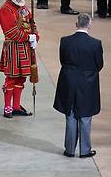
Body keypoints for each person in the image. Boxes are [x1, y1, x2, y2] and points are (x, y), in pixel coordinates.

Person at [54, 14, 103, 158]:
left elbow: (62, 61)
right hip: (88, 83)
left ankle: (69, 150)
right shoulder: (95, 44)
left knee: (70, 115)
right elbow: (99, 64)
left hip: (68, 81)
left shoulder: (65, 41)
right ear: (89, 25)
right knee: (85, 116)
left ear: (76, 24)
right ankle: (85, 150)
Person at [0, 0, 38, 118]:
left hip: (25, 49)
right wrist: (28, 37)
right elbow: (10, 32)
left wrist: (35, 36)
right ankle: (8, 106)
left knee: (21, 78)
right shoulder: (5, 9)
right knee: (11, 78)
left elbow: (32, 23)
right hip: (13, 48)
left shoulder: (24, 8)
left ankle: (16, 106)